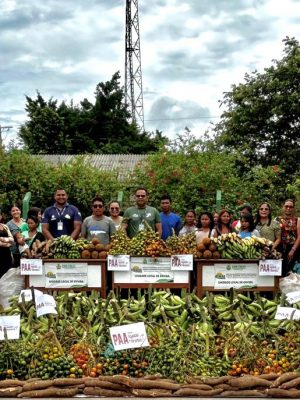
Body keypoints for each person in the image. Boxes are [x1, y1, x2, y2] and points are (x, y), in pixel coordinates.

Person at [275, 199, 300, 276]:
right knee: (279, 270)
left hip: (292, 248)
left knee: (290, 271)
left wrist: (293, 250)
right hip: (280, 248)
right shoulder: (276, 219)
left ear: (293, 208)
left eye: (290, 207)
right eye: (286, 206)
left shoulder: (297, 220)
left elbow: (299, 236)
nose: (288, 208)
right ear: (283, 207)